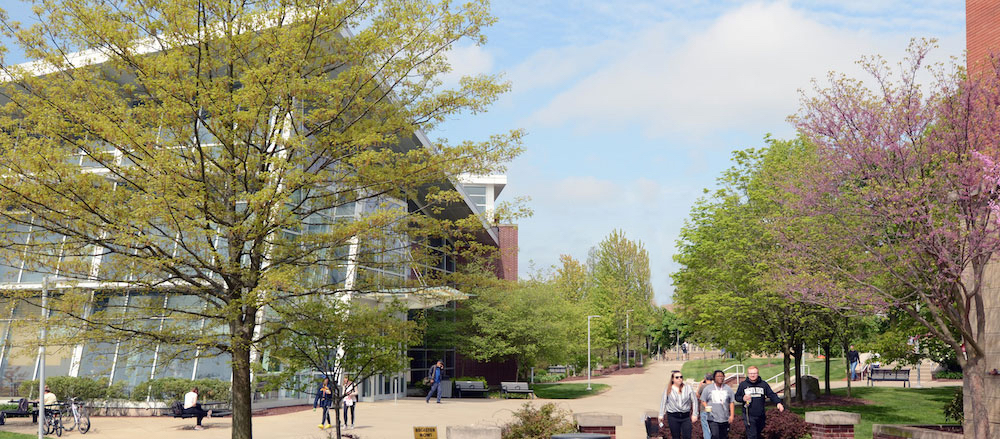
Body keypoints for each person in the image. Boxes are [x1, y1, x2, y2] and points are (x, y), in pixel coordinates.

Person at [734, 366, 784, 439]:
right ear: (748, 374)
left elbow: (771, 394)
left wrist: (778, 403)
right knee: (752, 435)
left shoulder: (763, 384)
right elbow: (736, 397)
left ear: (758, 374)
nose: (753, 375)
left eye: (754, 373)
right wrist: (743, 398)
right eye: (751, 373)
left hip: (761, 414)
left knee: (759, 434)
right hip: (749, 414)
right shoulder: (743, 385)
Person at [659, 370, 698, 439]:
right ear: (673, 379)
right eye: (677, 377)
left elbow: (694, 401)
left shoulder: (688, 388)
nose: (679, 379)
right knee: (676, 436)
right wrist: (661, 414)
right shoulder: (669, 389)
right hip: (673, 416)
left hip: (685, 416)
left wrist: (695, 414)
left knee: (687, 436)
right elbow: (663, 401)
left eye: (681, 377)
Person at [700, 370, 734, 439]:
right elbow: (703, 400)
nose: (720, 378)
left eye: (722, 376)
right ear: (714, 378)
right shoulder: (708, 388)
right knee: (715, 435)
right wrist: (706, 407)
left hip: (724, 417)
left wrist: (732, 416)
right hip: (713, 417)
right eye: (718, 376)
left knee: (724, 436)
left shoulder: (728, 389)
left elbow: (731, 402)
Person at [696, 372, 713, 439]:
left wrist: (700, 384)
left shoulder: (703, 386)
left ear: (705, 378)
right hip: (713, 409)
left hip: (704, 409)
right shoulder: (714, 386)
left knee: (706, 428)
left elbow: (697, 395)